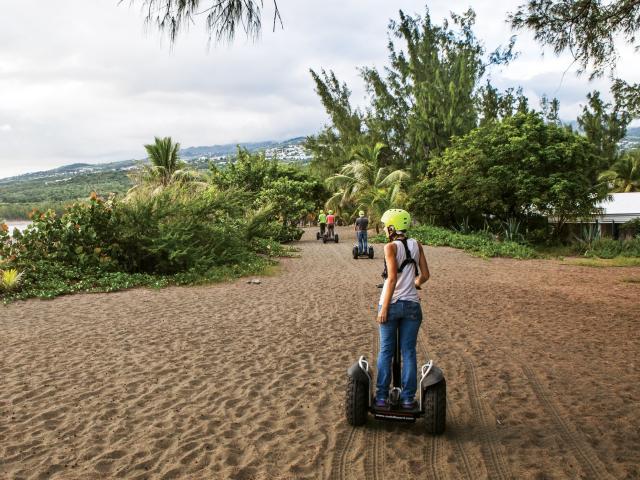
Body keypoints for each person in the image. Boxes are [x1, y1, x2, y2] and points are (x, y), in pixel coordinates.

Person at [376, 208, 430, 409]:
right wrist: (414, 283)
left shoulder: (390, 247)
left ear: (391, 227)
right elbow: (425, 275)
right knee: (408, 352)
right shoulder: (417, 244)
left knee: (386, 351)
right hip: (412, 307)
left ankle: (381, 397)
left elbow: (391, 279)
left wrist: (384, 309)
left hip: (392, 305)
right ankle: (408, 399)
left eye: (385, 226)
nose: (383, 229)